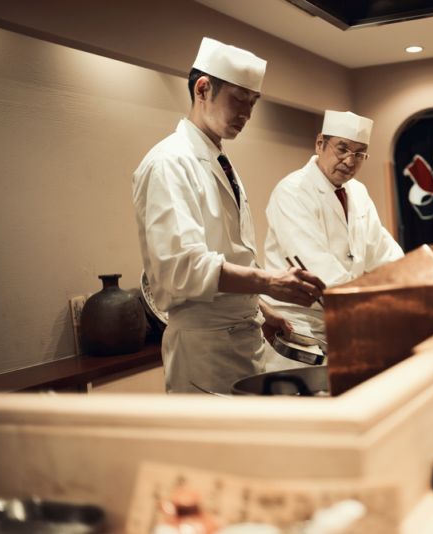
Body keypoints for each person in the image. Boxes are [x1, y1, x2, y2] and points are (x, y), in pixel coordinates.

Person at [132, 38, 325, 393]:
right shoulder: (170, 162)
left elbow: (228, 254)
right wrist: (268, 282)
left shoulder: (219, 160)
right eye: (239, 98)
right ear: (203, 89)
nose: (247, 113)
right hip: (203, 348)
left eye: (253, 102)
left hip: (243, 338)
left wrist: (261, 309)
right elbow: (182, 267)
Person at [263, 111, 403, 364]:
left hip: (344, 318)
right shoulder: (292, 191)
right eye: (342, 149)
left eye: (359, 154)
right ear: (320, 143)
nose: (350, 161)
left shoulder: (357, 191)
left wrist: (412, 281)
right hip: (298, 325)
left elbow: (382, 251)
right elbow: (316, 267)